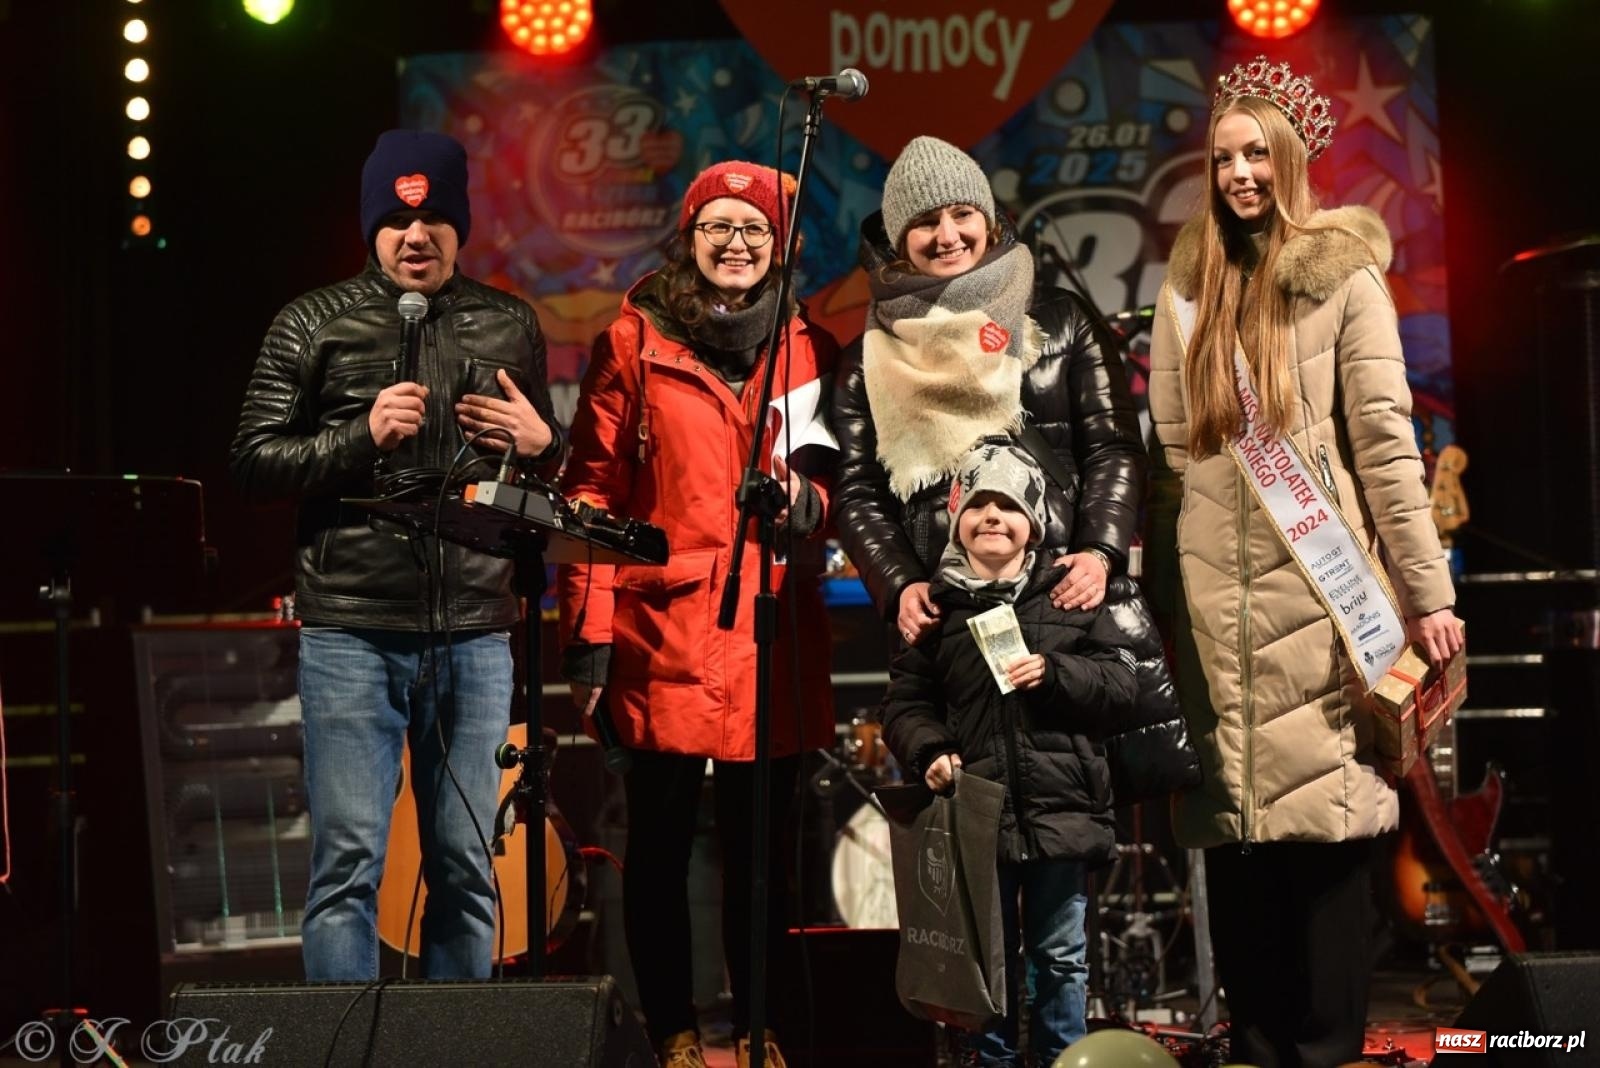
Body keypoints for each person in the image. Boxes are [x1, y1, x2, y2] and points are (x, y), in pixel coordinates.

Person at [1144, 56, 1466, 1068]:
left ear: (1290, 159)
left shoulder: (1342, 276)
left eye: (1255, 153)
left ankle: (1321, 1053)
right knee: (1238, 846)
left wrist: (1426, 596)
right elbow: (1168, 453)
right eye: (1223, 156)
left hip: (1320, 602)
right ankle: (1256, 1048)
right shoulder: (1185, 287)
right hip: (1211, 610)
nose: (1239, 173)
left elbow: (1381, 441)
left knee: (1325, 843)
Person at [230, 129, 561, 981]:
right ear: (373, 227)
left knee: (465, 864)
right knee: (347, 865)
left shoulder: (509, 323)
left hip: (475, 632)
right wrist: (357, 436)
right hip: (351, 628)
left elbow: (533, 491)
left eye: (436, 217)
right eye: (398, 219)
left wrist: (542, 444)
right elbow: (253, 462)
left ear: (461, 226)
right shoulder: (312, 322)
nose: (416, 236)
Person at [557, 161, 837, 1068]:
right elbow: (591, 495)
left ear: (778, 244)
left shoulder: (808, 346)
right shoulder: (634, 341)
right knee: (663, 850)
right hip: (661, 629)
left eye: (753, 230)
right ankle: (672, 1030)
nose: (736, 244)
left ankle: (763, 1033)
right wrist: (590, 637)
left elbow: (836, 484)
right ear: (689, 236)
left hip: (769, 628)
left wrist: (804, 504)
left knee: (765, 860)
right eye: (717, 226)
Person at [831, 133, 1145, 655]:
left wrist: (1097, 552)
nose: (948, 234)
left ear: (989, 220)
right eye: (926, 222)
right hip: (946, 610)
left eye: (962, 214)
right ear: (898, 237)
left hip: (1065, 594)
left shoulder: (1062, 319)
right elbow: (858, 490)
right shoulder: (866, 358)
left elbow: (1112, 448)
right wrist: (900, 584)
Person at [881, 442, 1138, 1065]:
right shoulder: (937, 610)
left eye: (1008, 505)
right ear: (957, 519)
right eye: (979, 505)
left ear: (1034, 522)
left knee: (1060, 958)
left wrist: (1054, 673)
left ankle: (1061, 1060)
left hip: (1062, 810)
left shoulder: (1068, 595)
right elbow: (905, 705)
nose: (992, 516)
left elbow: (1121, 684)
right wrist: (931, 750)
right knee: (983, 960)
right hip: (978, 818)